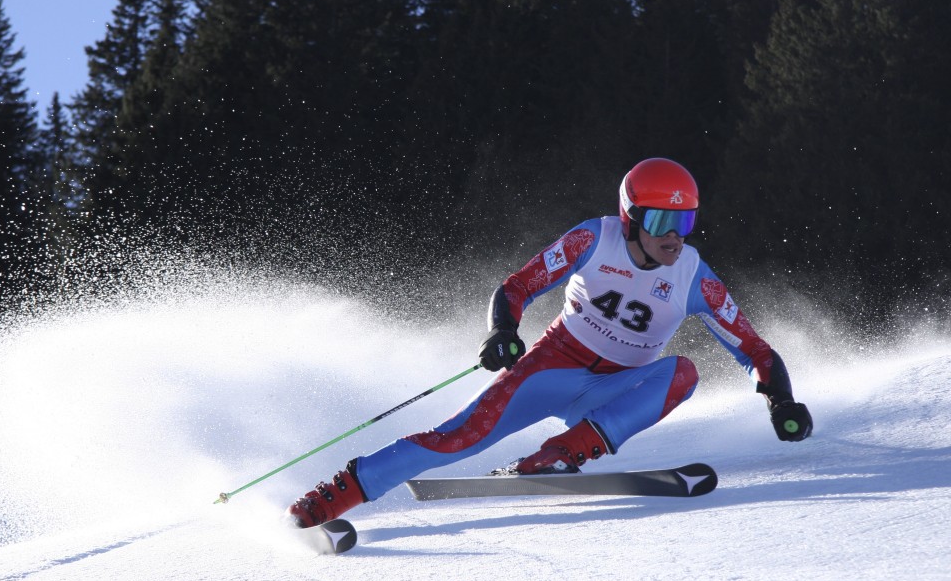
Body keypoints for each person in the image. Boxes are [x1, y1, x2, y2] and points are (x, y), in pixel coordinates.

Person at [286, 158, 813, 528]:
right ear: (632, 220)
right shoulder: (593, 238)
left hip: (615, 390)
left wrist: (781, 400)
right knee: (457, 438)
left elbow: (755, 351)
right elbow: (517, 287)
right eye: (661, 221)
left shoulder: (694, 276)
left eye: (687, 221)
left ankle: (563, 453)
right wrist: (502, 330)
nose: (675, 235)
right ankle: (334, 497)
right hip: (550, 369)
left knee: (684, 373)